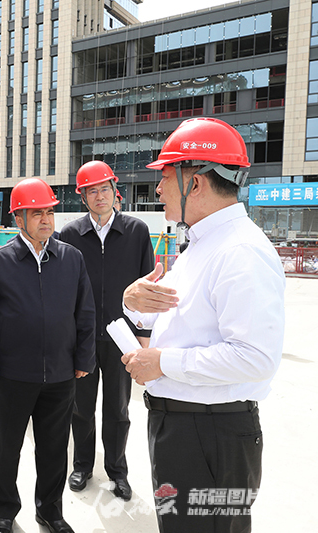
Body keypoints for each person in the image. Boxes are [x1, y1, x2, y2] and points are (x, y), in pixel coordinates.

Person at [121, 117, 286, 533]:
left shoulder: (241, 251)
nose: (158, 190)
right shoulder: (202, 242)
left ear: (195, 183)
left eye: (164, 177)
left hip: (211, 434)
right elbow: (183, 319)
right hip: (184, 427)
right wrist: (133, 302)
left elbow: (255, 358)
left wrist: (162, 363)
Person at [0, 178, 96, 533]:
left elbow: (85, 313)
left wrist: (83, 359)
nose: (46, 219)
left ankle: (50, 511)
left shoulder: (71, 258)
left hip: (61, 374)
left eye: (49, 212)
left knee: (55, 448)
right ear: (19, 218)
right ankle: (5, 511)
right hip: (13, 375)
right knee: (7, 447)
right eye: (37, 213)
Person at [59, 161, 154, 501]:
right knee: (80, 408)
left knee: (118, 409)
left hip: (122, 339)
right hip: (82, 338)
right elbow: (62, 288)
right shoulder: (70, 235)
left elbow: (148, 288)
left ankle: (117, 471)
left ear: (115, 191)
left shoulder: (136, 231)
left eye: (104, 189)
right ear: (82, 196)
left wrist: (144, 339)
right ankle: (82, 465)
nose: (99, 196)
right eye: (91, 191)